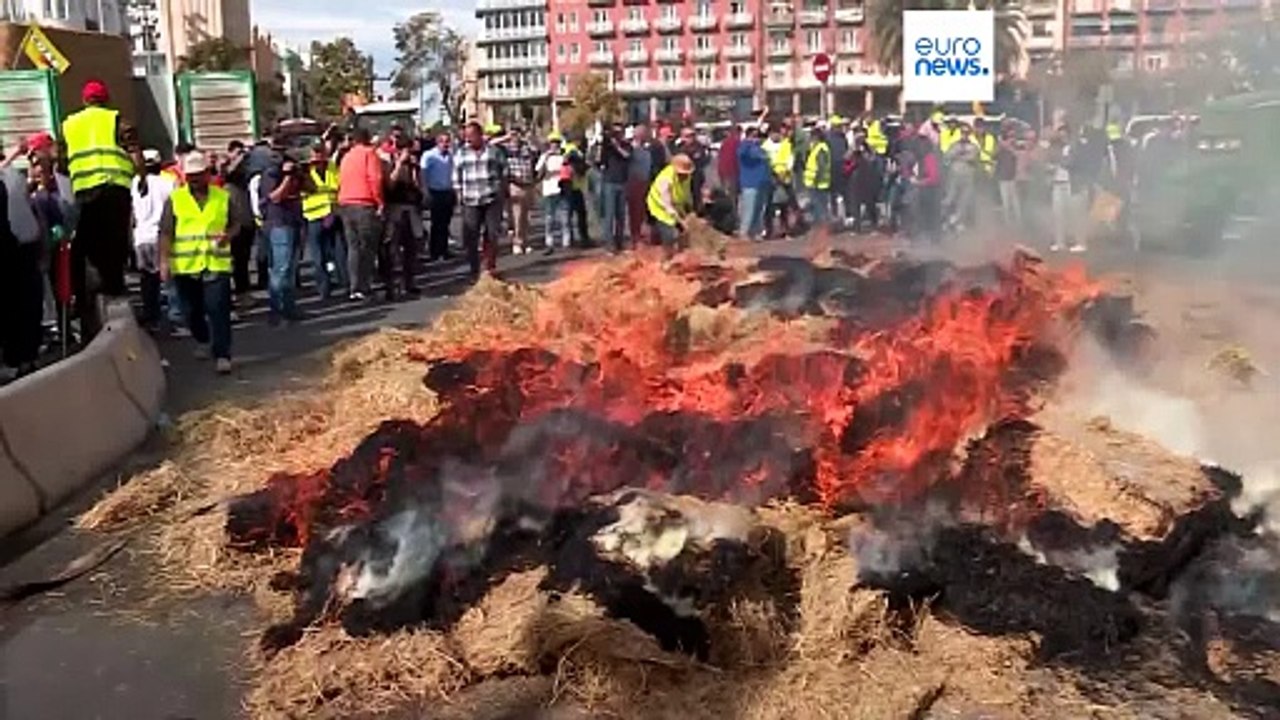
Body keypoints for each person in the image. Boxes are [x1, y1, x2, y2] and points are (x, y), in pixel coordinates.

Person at [61, 78, 143, 340]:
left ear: (84, 100)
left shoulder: (70, 125)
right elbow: (135, 153)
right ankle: (113, 289)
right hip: (114, 191)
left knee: (85, 248)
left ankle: (83, 304)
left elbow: (62, 159)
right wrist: (141, 177)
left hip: (84, 194)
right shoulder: (117, 120)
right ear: (106, 99)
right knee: (114, 247)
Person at [158, 152, 242, 374]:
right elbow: (166, 232)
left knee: (218, 310)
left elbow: (236, 224)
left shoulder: (222, 197)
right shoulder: (175, 199)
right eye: (190, 175)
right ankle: (203, 339)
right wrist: (164, 261)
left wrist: (228, 236)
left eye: (199, 175)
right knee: (191, 312)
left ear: (208, 174)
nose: (194, 179)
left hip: (216, 264)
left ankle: (222, 354)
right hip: (186, 267)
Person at [0, 145, 44, 379]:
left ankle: (16, 358)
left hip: (14, 250)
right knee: (26, 305)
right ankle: (27, 356)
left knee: (14, 308)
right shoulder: (13, 177)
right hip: (24, 248)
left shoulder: (9, 178)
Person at [256, 150, 309, 323]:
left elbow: (311, 188)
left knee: (291, 269)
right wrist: (287, 176)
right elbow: (275, 197)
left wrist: (301, 173)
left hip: (294, 222)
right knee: (280, 269)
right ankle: (276, 310)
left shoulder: (294, 171)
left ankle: (289, 307)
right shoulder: (271, 173)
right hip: (278, 224)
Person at [452, 121, 506, 279]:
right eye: (466, 136)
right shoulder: (461, 153)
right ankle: (474, 268)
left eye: (472, 136)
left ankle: (489, 266)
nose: (469, 139)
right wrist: (458, 195)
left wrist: (502, 190)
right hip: (470, 200)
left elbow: (504, 170)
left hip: (491, 198)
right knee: (471, 235)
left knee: (491, 234)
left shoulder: (493, 151)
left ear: (480, 135)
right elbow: (456, 176)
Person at [337, 127, 384, 301]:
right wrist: (379, 202)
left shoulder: (346, 157)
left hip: (346, 203)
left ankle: (354, 286)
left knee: (353, 247)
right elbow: (375, 178)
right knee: (367, 247)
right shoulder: (369, 154)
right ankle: (365, 286)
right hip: (364, 203)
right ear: (368, 139)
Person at [131, 149, 175, 328]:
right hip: (162, 235)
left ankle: (152, 316)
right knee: (168, 278)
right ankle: (175, 317)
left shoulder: (134, 183)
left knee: (147, 280)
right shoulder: (168, 183)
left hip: (141, 237)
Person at [301, 142, 346, 300]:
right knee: (318, 255)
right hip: (313, 216)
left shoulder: (332, 167)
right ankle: (324, 288)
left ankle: (344, 283)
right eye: (316, 154)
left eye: (321, 153)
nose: (319, 157)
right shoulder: (305, 170)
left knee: (339, 252)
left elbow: (338, 186)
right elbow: (305, 189)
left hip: (332, 214)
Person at [382, 138, 423, 298]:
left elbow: (418, 186)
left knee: (411, 248)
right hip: (394, 208)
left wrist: (414, 170)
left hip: (411, 208)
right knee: (391, 249)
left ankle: (409, 282)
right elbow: (390, 184)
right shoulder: (387, 163)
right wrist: (399, 163)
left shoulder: (412, 164)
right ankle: (390, 285)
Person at [645, 153, 695, 259]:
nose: (685, 176)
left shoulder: (687, 177)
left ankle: (682, 255)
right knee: (670, 233)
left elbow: (686, 193)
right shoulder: (666, 179)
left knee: (684, 233)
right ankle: (667, 257)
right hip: (660, 207)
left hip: (676, 204)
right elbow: (667, 206)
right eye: (682, 174)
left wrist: (689, 211)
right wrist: (681, 222)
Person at [501, 127, 537, 255]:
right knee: (517, 215)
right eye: (513, 134)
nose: (515, 137)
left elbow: (536, 149)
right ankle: (517, 242)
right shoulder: (506, 148)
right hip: (515, 184)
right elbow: (489, 143)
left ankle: (526, 241)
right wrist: (506, 137)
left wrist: (526, 139)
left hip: (529, 184)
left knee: (527, 217)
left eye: (517, 134)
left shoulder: (526, 147)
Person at [420, 132, 456, 262]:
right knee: (436, 223)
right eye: (443, 142)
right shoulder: (429, 155)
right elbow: (423, 174)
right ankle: (434, 252)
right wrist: (425, 191)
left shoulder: (451, 155)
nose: (446, 144)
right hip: (435, 192)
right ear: (438, 142)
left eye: (447, 141)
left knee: (446, 223)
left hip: (448, 191)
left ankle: (444, 250)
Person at [535, 132, 570, 254]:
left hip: (563, 188)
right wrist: (546, 158)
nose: (554, 146)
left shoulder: (564, 156)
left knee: (564, 215)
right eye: (552, 143)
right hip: (549, 189)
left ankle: (566, 241)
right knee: (549, 216)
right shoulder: (544, 156)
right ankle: (549, 241)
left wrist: (566, 161)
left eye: (557, 143)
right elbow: (539, 173)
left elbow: (570, 171)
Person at [598, 123, 631, 253]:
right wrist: (604, 144)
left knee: (621, 215)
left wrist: (616, 145)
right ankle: (609, 245)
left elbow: (626, 155)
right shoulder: (606, 148)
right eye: (615, 133)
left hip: (622, 182)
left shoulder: (626, 145)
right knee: (609, 215)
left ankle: (620, 243)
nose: (617, 136)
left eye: (619, 133)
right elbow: (599, 161)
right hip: (609, 183)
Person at [736, 126, 770, 240]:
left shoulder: (761, 149)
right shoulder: (745, 148)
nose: (757, 138)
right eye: (754, 136)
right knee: (749, 210)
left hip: (762, 184)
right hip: (750, 184)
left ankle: (755, 232)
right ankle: (744, 233)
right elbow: (741, 153)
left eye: (758, 136)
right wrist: (748, 142)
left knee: (759, 210)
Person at [625, 124, 653, 246]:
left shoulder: (647, 150)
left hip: (645, 182)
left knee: (642, 211)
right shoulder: (632, 149)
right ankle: (634, 237)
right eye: (644, 133)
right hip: (634, 182)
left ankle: (640, 235)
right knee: (634, 212)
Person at [802, 125, 832, 229]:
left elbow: (821, 166)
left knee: (820, 206)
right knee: (817, 206)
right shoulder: (816, 148)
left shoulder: (821, 148)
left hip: (818, 184)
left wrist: (816, 180)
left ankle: (824, 227)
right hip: (814, 183)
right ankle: (820, 225)